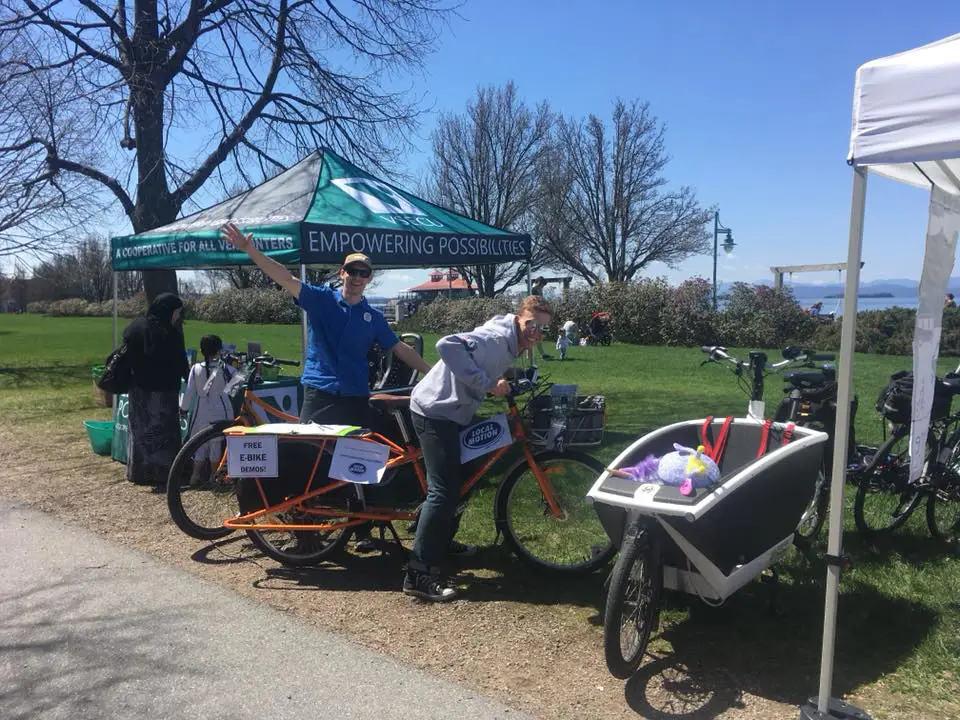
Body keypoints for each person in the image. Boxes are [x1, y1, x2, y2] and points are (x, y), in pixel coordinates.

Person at [221, 223, 432, 551]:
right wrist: (250, 251)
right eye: (352, 270)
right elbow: (284, 278)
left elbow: (400, 349)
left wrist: (431, 372)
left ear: (369, 278)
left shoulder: (373, 317)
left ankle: (362, 531)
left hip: (354, 397)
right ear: (342, 273)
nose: (357, 277)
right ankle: (305, 534)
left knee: (363, 460)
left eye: (364, 272)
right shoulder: (320, 300)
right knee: (307, 464)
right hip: (319, 394)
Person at [404, 295, 553, 601]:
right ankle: (418, 573)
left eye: (542, 329)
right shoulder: (496, 338)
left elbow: (483, 361)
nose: (535, 333)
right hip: (434, 411)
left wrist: (507, 377)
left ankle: (440, 539)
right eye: (531, 325)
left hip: (455, 411)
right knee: (444, 490)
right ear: (518, 317)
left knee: (470, 476)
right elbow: (446, 345)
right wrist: (486, 383)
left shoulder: (510, 341)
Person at [123, 293, 189, 492]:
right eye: (177, 312)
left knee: (140, 430)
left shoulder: (135, 326)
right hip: (163, 390)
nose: (177, 316)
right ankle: (164, 472)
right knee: (163, 431)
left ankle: (139, 470)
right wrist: (190, 378)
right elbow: (179, 362)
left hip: (137, 388)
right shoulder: (169, 333)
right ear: (169, 311)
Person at [180, 334, 234, 486]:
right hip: (220, 408)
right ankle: (213, 478)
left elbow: (189, 392)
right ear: (219, 350)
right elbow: (235, 387)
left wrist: (184, 408)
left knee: (200, 444)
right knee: (215, 446)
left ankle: (195, 476)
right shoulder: (225, 368)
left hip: (200, 409)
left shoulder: (196, 368)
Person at [530, 277, 552, 360]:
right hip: (534, 314)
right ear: (539, 282)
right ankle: (540, 354)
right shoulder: (534, 289)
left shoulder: (537, 289)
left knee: (536, 334)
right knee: (534, 334)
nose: (542, 287)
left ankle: (541, 354)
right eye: (542, 285)